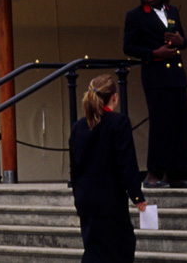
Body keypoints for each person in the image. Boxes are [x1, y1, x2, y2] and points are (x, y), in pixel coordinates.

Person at [122, 0, 187, 188]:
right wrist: (155, 53)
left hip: (176, 74)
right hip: (155, 75)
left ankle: (172, 174)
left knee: (178, 124)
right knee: (160, 124)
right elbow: (129, 47)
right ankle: (152, 175)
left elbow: (183, 40)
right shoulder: (135, 15)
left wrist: (181, 41)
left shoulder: (172, 11)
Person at [69, 74, 147, 263]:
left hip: (86, 200)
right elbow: (126, 162)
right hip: (110, 201)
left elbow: (75, 166)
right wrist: (136, 195)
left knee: (94, 249)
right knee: (120, 249)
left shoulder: (78, 126)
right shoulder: (118, 122)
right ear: (114, 96)